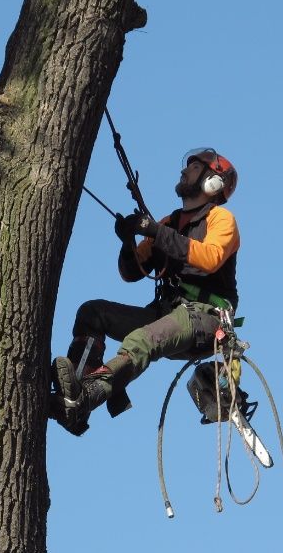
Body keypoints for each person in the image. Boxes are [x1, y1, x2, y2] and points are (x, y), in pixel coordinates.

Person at [50, 147, 240, 436]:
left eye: (194, 167)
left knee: (141, 339)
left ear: (212, 181)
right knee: (92, 313)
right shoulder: (169, 223)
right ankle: (73, 401)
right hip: (167, 313)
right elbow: (132, 273)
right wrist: (128, 241)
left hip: (205, 318)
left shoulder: (220, 219)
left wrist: (154, 231)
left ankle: (90, 394)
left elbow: (211, 258)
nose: (184, 170)